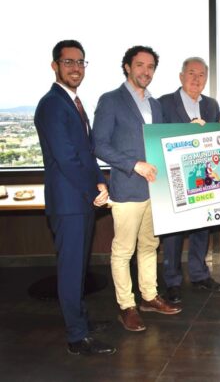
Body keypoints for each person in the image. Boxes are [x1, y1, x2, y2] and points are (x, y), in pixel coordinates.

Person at [34, 40, 115, 355]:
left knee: (78, 268)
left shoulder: (73, 103)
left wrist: (100, 182)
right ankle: (77, 337)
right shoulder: (52, 104)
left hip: (80, 201)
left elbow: (86, 153)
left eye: (80, 62)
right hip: (69, 203)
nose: (76, 68)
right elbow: (67, 158)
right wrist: (94, 190)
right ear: (54, 65)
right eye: (68, 62)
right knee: (70, 271)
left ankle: (81, 322)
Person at [93, 46, 181, 333]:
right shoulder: (110, 100)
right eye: (140, 65)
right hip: (127, 189)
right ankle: (126, 306)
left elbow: (165, 141)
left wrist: (195, 128)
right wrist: (134, 165)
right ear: (127, 67)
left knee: (149, 246)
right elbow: (99, 145)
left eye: (151, 66)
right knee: (123, 251)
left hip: (155, 191)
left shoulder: (155, 104)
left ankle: (149, 296)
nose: (146, 71)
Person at [158, 57, 220, 303]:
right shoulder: (164, 103)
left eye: (201, 75)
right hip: (174, 179)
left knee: (201, 228)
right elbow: (157, 138)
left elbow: (215, 140)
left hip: (203, 179)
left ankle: (199, 274)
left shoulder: (211, 105)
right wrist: (189, 131)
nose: (196, 79)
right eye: (191, 73)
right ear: (181, 76)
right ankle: (172, 281)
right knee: (173, 234)